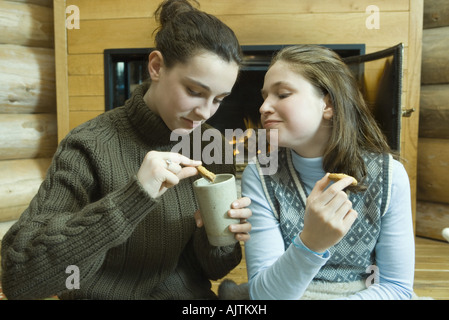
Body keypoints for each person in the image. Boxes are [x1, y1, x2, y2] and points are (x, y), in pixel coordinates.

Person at [1, 0, 252, 300]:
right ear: (157, 67)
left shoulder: (211, 146)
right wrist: (132, 198)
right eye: (195, 92)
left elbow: (215, 269)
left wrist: (220, 235)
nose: (205, 112)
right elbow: (19, 278)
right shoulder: (88, 145)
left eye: (219, 99)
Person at [242, 45, 415, 299]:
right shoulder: (260, 175)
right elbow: (263, 297)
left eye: (282, 94)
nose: (264, 107)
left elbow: (398, 288)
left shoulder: (390, 176)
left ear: (328, 103)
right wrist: (310, 244)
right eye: (265, 96)